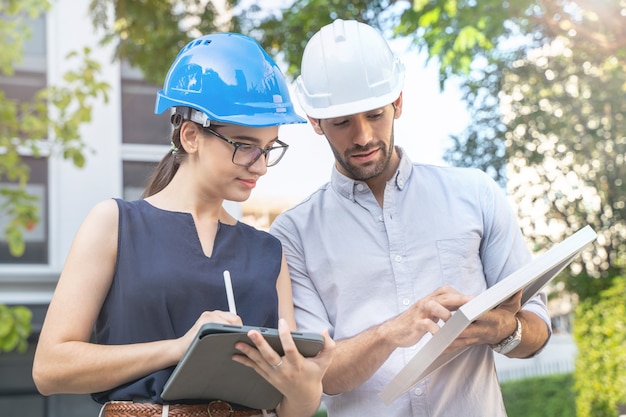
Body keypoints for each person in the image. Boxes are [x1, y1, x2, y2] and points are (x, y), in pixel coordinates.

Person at [32, 32, 334, 417]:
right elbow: (50, 369)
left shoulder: (268, 251)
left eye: (269, 148)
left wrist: (306, 389)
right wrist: (182, 346)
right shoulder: (114, 223)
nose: (259, 165)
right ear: (191, 136)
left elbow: (293, 408)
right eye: (244, 145)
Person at [269, 19, 551, 417]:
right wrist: (391, 332)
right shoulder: (293, 234)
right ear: (315, 122)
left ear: (398, 101)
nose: (363, 136)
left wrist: (505, 329)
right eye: (342, 123)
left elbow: (537, 331)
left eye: (374, 114)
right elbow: (316, 376)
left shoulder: (475, 194)